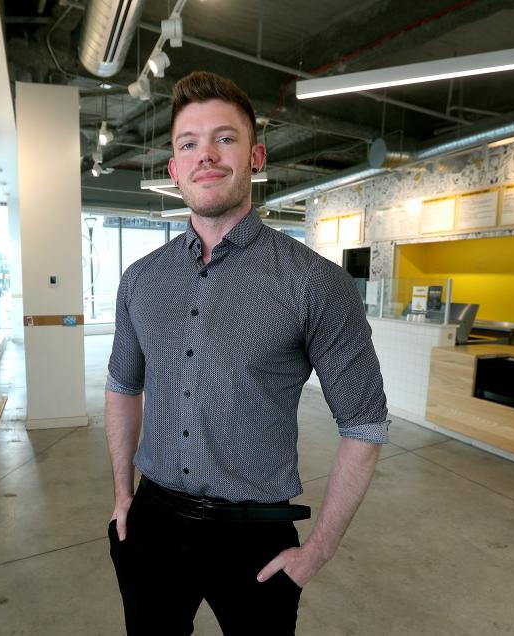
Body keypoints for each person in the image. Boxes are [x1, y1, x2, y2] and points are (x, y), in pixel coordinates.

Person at [104, 70, 389, 636]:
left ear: (255, 155)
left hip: (255, 538)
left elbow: (366, 424)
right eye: (189, 143)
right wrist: (122, 497)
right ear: (173, 169)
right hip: (153, 522)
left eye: (224, 138)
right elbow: (121, 387)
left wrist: (317, 553)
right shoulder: (140, 280)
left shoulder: (315, 283)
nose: (205, 154)